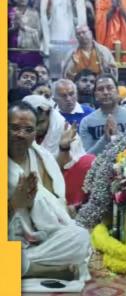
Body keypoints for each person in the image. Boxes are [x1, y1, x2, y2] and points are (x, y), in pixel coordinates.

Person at [8, 101, 90, 280]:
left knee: (80, 237)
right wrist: (13, 205)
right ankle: (40, 269)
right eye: (14, 128)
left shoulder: (39, 154)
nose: (21, 135)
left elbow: (52, 193)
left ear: (35, 132)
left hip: (39, 239)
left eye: (28, 130)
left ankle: (19, 266)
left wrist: (63, 146)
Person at [40, 0, 87, 79]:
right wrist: (46, 45)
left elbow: (81, 21)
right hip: (53, 43)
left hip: (72, 43)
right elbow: (44, 20)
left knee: (71, 76)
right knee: (54, 77)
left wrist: (72, 2)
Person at [79, 74, 126, 155]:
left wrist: (117, 135)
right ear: (95, 95)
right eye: (100, 89)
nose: (106, 92)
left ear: (117, 92)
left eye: (109, 88)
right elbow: (86, 156)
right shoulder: (87, 122)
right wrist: (105, 138)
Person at [8, 0, 43, 68]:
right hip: (13, 50)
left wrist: (24, 28)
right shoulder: (9, 12)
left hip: (31, 52)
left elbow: (39, 33)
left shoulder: (34, 13)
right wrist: (14, 28)